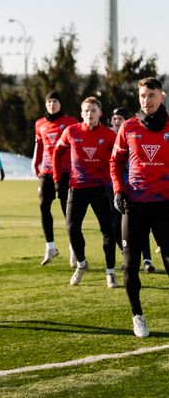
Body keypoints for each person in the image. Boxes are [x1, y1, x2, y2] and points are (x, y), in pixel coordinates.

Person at [110, 77, 169, 338]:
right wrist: (118, 189)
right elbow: (115, 161)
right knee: (130, 265)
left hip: (165, 206)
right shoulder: (129, 127)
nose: (147, 100)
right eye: (143, 95)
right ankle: (138, 316)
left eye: (151, 95)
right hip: (134, 206)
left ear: (162, 97)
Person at [53, 96, 117, 288]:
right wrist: (57, 178)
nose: (90, 114)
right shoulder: (71, 131)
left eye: (93, 110)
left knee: (108, 231)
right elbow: (57, 151)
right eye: (86, 110)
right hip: (77, 188)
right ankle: (81, 264)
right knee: (72, 228)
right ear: (81, 113)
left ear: (100, 113)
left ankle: (110, 272)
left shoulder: (109, 135)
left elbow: (120, 158)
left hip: (101, 189)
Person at [32, 91, 78, 266]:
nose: (52, 104)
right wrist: (35, 163)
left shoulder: (70, 121)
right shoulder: (40, 124)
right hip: (46, 172)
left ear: (60, 104)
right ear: (46, 104)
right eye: (49, 102)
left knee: (68, 211)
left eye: (55, 101)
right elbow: (39, 146)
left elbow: (77, 145)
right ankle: (50, 247)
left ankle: (74, 249)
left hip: (66, 172)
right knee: (44, 206)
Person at [110, 107, 156, 274]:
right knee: (116, 227)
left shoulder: (135, 132)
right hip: (116, 190)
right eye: (114, 118)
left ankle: (147, 260)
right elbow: (112, 162)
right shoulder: (108, 137)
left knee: (143, 227)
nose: (117, 121)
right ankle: (127, 256)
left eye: (120, 118)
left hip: (137, 191)